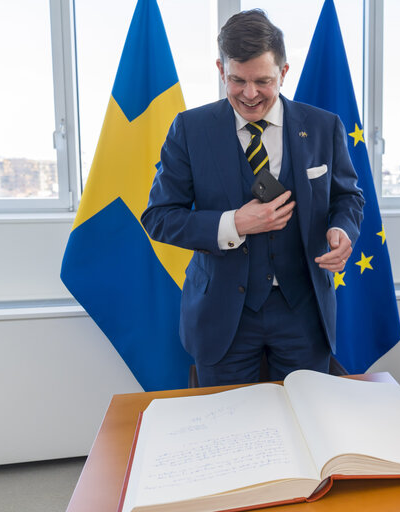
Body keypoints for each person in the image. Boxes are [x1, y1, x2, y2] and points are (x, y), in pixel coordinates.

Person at [141, 9, 364, 387]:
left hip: (303, 313)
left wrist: (343, 231)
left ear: (284, 72)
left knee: (306, 422)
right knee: (228, 430)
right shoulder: (189, 129)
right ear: (220, 69)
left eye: (262, 81)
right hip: (222, 314)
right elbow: (159, 217)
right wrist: (235, 224)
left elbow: (348, 198)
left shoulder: (325, 127)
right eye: (237, 80)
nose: (249, 94)